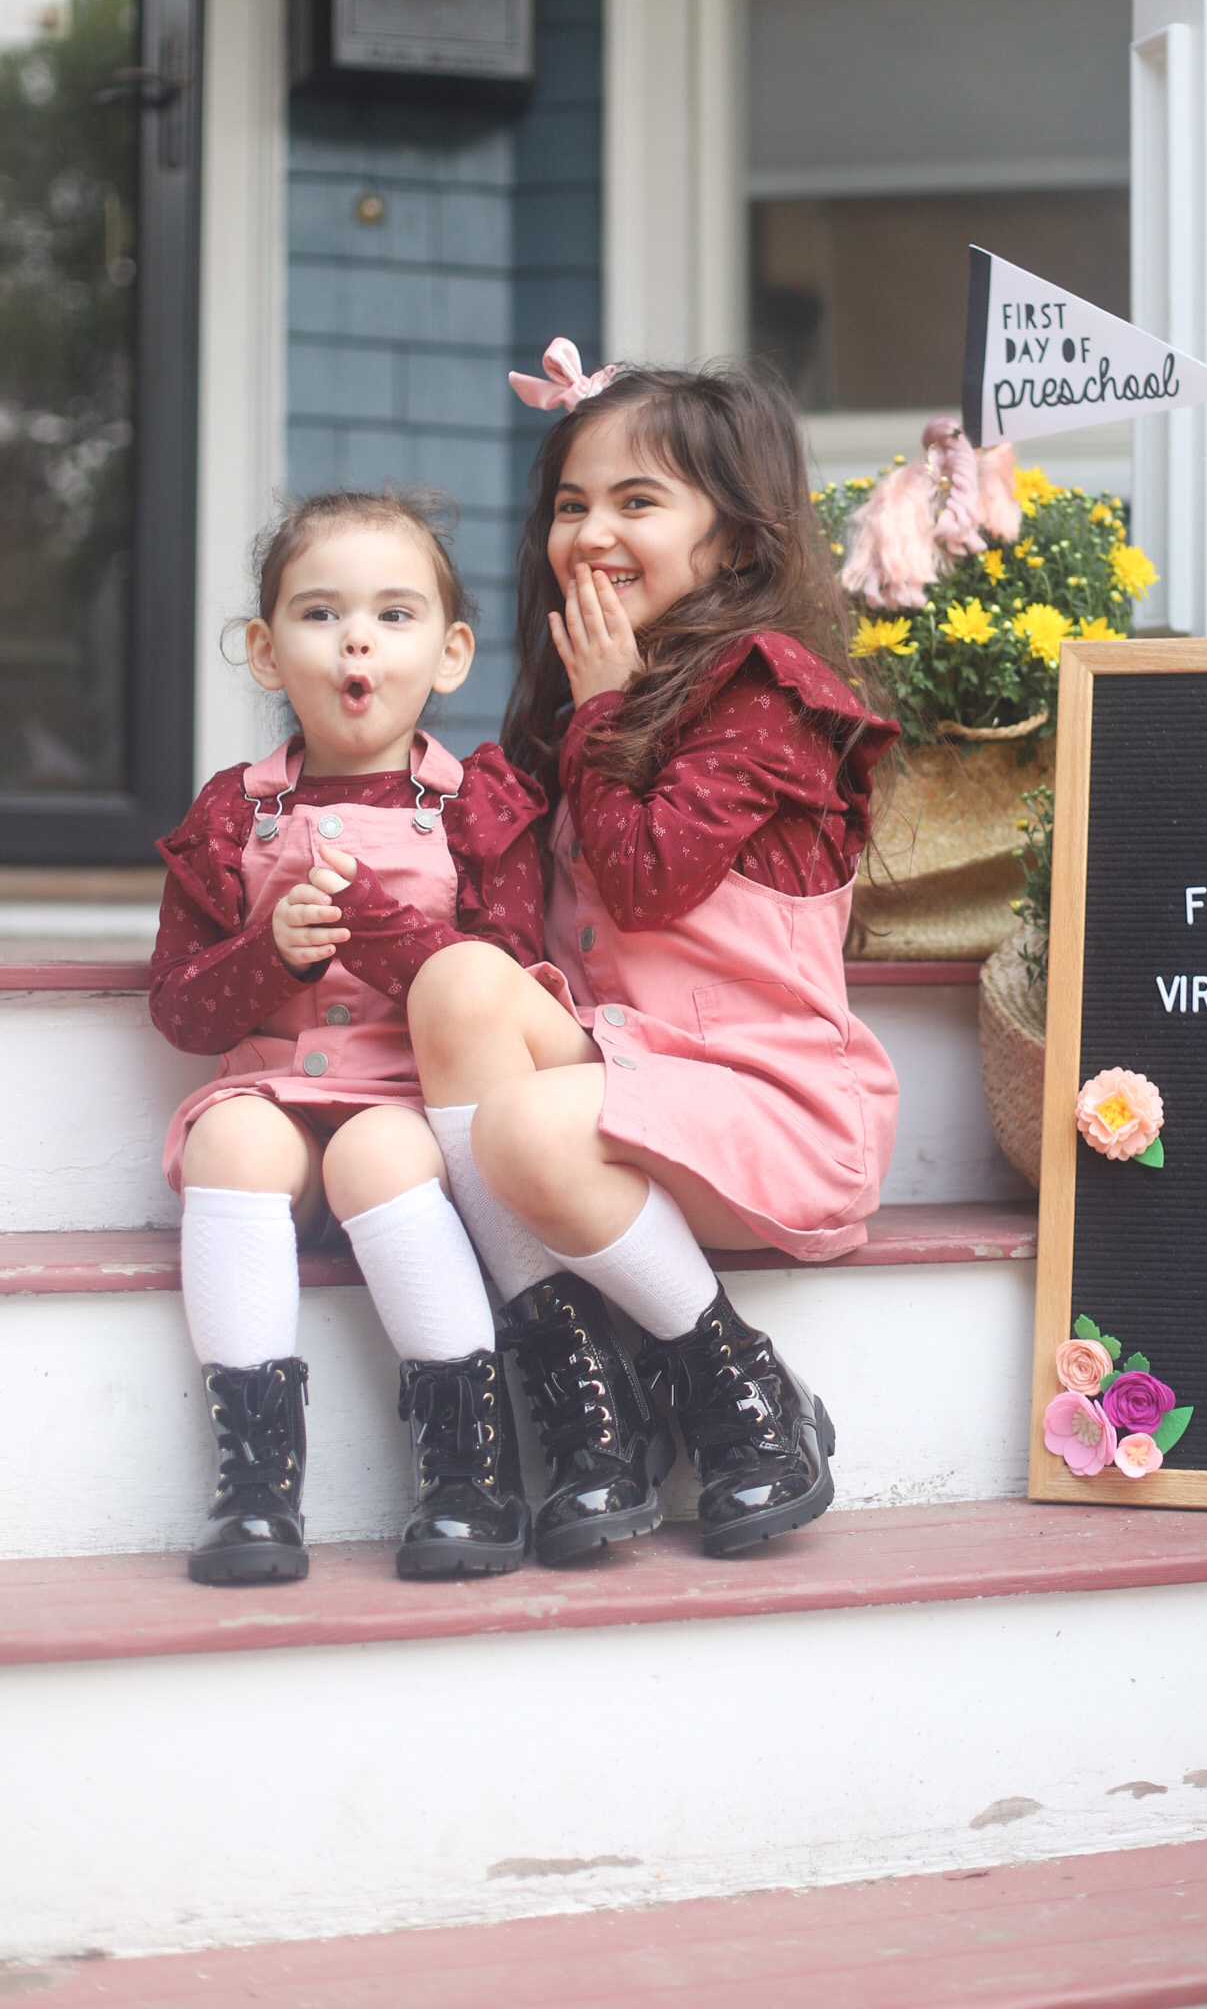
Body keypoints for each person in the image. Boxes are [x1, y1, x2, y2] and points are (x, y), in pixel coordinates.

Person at [406, 353, 900, 1566]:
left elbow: (644, 877)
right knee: (456, 987)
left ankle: (734, 1382)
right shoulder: (582, 694)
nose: (591, 532)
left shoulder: (765, 696)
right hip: (629, 1086)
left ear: (735, 543)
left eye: (638, 502)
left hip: (759, 1102)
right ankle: (587, 1398)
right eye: (572, 504)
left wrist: (605, 711)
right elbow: (512, 938)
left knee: (524, 1132)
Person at [152, 490, 548, 1586]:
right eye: (320, 614)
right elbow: (180, 1013)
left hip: (407, 1108)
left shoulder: (477, 807)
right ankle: (255, 1486)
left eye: (395, 613)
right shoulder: (235, 811)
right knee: (232, 1144)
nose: (357, 639)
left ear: (452, 652)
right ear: (266, 652)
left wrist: (382, 932)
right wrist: (265, 954)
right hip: (271, 1095)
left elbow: (510, 979)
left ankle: (469, 1465)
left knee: (379, 1152)